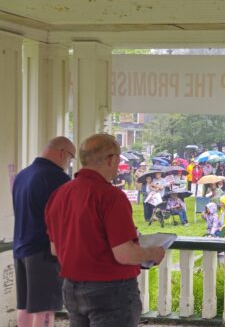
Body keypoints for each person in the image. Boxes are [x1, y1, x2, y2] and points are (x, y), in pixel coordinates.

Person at [44, 134, 165, 327]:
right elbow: (124, 254)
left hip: (72, 287)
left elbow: (55, 250)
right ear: (112, 159)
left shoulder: (59, 194)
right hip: (111, 291)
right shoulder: (111, 196)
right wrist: (154, 252)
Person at [12, 137, 75, 327]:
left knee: (24, 306)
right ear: (63, 153)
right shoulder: (57, 178)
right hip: (44, 251)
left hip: (21, 247)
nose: (69, 164)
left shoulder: (22, 175)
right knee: (45, 308)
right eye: (71, 158)